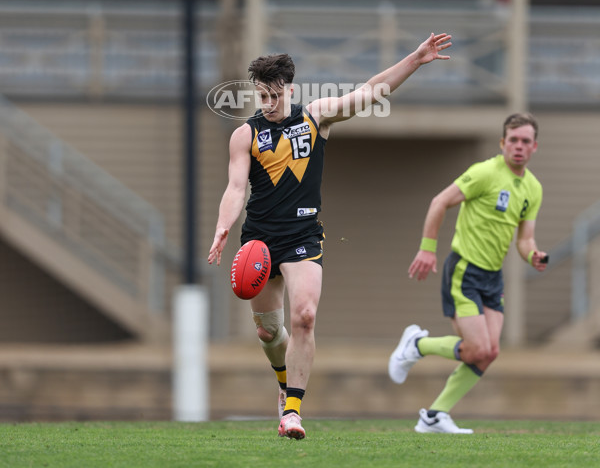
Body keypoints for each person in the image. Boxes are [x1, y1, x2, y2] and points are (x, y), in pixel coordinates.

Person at [208, 32, 452, 439]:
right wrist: (222, 228)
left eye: (273, 95)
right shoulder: (245, 135)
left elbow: (370, 92)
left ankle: (292, 411)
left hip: (303, 235)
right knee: (269, 332)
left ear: (289, 89)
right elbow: (236, 188)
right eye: (260, 97)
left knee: (304, 316)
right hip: (260, 241)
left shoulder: (316, 116)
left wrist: (414, 58)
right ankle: (283, 379)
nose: (266, 104)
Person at [388, 112, 547, 434]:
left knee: (489, 353)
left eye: (525, 141)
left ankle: (434, 416)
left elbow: (525, 238)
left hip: (493, 277)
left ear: (534, 147)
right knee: (476, 349)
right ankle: (417, 346)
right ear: (503, 143)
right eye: (513, 140)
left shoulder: (533, 188)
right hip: (465, 270)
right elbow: (439, 202)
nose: (518, 146)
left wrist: (533, 255)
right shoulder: (485, 173)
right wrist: (427, 248)